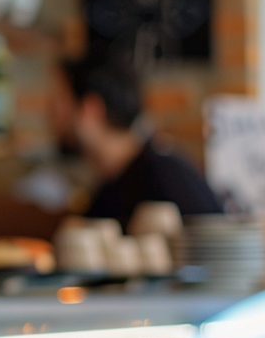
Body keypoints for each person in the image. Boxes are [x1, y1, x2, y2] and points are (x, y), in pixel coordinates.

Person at [49, 52, 222, 229]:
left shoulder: (165, 176)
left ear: (90, 110)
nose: (53, 115)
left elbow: (218, 246)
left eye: (60, 103)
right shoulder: (108, 189)